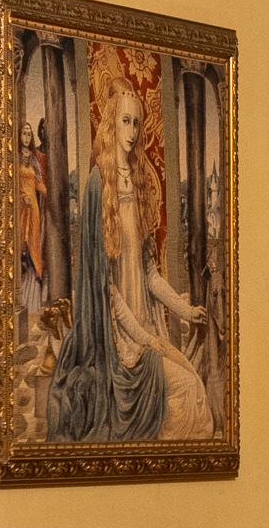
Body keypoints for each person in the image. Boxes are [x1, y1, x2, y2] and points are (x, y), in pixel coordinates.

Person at [47, 78, 212, 442]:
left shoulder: (138, 184)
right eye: (125, 121)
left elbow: (149, 273)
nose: (132, 131)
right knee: (188, 391)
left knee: (193, 385)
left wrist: (185, 311)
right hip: (117, 341)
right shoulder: (97, 185)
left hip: (146, 327)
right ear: (112, 123)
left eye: (137, 122)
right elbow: (105, 291)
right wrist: (143, 338)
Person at [18, 119, 48, 317]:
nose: (27, 137)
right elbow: (12, 183)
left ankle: (32, 300)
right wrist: (22, 196)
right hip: (22, 209)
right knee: (23, 249)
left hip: (34, 210)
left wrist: (50, 193)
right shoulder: (15, 158)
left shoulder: (34, 159)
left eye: (29, 134)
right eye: (24, 133)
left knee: (34, 250)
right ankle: (20, 297)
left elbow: (37, 183)